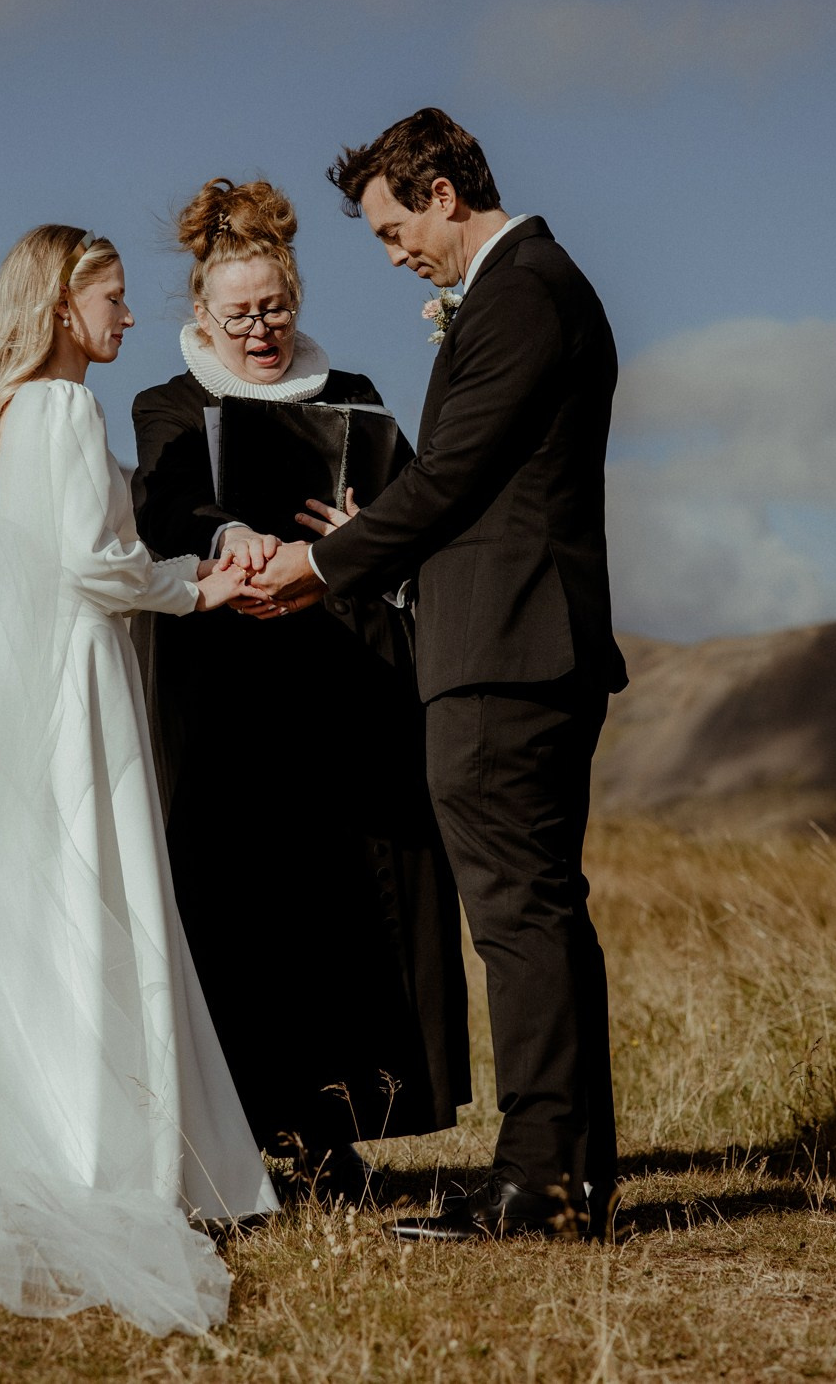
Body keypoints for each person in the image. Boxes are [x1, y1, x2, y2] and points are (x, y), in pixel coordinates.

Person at [0, 225, 277, 1336]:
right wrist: (196, 588)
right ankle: (103, 1157)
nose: (128, 317)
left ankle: (11, 1135)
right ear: (61, 304)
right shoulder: (69, 410)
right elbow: (90, 564)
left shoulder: (0, 414)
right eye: (114, 299)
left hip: (13, 698)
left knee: (31, 910)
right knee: (98, 897)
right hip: (77, 686)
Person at [250, 109, 631, 1242]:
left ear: (442, 193)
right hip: (511, 640)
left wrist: (321, 562)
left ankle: (539, 1185)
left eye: (389, 229)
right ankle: (564, 1174)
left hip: (508, 655)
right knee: (537, 915)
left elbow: (458, 475)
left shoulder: (522, 293)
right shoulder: (530, 288)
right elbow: (482, 487)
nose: (393, 253)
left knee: (518, 917)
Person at [130, 178, 470, 1199]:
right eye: (237, 314)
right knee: (237, 906)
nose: (260, 328)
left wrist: (366, 530)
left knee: (342, 909)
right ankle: (241, 1133)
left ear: (296, 298)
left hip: (343, 684)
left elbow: (420, 515)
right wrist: (224, 531)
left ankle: (333, 1129)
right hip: (226, 696)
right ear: (202, 315)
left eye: (274, 307)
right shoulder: (167, 403)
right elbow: (165, 511)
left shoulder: (353, 390)